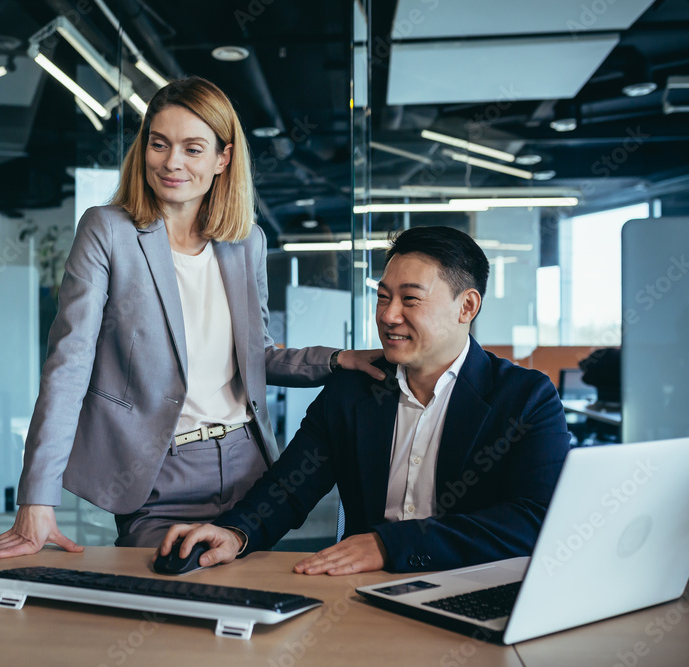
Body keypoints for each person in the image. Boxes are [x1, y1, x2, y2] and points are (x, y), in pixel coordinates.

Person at [0, 76, 383, 559]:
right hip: (156, 474)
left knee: (244, 611)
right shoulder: (108, 231)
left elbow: (257, 357)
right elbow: (69, 365)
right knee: (170, 600)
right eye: (159, 144)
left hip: (248, 468)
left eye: (192, 148)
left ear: (223, 158)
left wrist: (336, 361)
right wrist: (37, 496)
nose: (172, 162)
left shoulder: (246, 241)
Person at [156, 225, 572, 575]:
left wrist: (389, 545)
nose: (389, 315)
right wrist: (236, 532)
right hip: (363, 592)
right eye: (383, 296)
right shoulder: (354, 390)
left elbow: (533, 520)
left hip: (469, 586)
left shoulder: (525, 398)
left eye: (410, 299)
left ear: (466, 307)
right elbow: (289, 487)